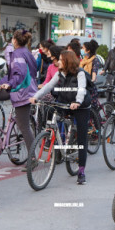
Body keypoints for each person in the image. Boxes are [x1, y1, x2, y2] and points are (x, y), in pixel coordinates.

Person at [29, 50, 91, 184]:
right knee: (50, 111)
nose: (58, 62)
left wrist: (78, 102)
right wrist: (35, 97)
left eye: (61, 60)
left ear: (68, 61)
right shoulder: (59, 73)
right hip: (65, 103)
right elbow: (48, 86)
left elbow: (81, 89)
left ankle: (81, 171)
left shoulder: (80, 73)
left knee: (81, 138)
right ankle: (53, 137)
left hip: (80, 106)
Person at [0, 30, 38, 161]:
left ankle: (32, 159)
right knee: (24, 125)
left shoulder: (17, 54)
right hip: (28, 90)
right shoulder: (27, 52)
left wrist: (9, 84)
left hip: (22, 93)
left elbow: (19, 74)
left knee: (24, 127)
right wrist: (1, 82)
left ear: (15, 41)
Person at [80, 39, 99, 110]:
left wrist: (92, 80)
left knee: (92, 109)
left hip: (90, 86)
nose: (81, 49)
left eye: (83, 48)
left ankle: (97, 120)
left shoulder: (95, 60)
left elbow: (94, 71)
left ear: (88, 50)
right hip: (82, 85)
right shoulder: (83, 60)